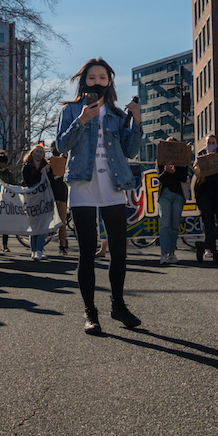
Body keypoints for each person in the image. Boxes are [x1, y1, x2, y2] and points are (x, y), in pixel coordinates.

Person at [55, 58, 142, 335]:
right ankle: (90, 313)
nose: (97, 82)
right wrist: (81, 120)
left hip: (113, 186)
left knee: (119, 252)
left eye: (102, 77)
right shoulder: (70, 110)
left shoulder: (118, 114)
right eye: (92, 78)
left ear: (109, 81)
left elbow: (131, 150)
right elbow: (61, 146)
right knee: (87, 253)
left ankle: (118, 305)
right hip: (82, 185)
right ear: (84, 82)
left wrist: (137, 120)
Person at [192, 134, 218, 264]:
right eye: (209, 142)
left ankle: (204, 245)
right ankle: (215, 256)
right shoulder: (201, 157)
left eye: (213, 142)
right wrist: (204, 163)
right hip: (206, 195)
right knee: (209, 225)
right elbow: (196, 173)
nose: (211, 144)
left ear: (217, 143)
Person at [23, 144, 69, 255]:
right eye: (36, 151)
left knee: (46, 223)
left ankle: (39, 250)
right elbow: (29, 182)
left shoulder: (49, 166)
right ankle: (34, 250)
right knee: (34, 224)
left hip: (47, 198)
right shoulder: (27, 166)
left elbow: (51, 183)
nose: (38, 154)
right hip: (33, 199)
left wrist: (51, 173)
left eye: (41, 152)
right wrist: (42, 172)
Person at [156, 139, 189, 266]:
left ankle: (171, 253)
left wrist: (174, 171)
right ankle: (164, 254)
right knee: (165, 224)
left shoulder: (182, 160)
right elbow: (160, 177)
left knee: (175, 225)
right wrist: (166, 170)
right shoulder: (161, 158)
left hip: (178, 195)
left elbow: (184, 176)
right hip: (165, 195)